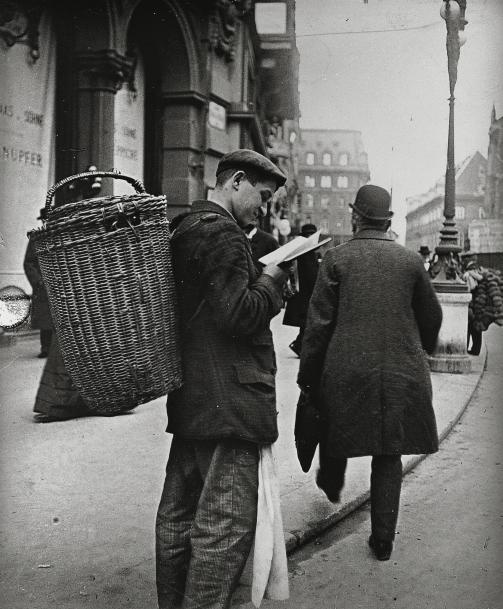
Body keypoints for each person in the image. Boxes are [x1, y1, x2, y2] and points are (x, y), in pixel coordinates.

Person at [155, 149, 290, 609]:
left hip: (194, 397)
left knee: (179, 517)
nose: (264, 208)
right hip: (230, 403)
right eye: (263, 195)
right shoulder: (226, 236)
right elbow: (239, 314)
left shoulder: (185, 228)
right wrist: (273, 280)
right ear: (236, 182)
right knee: (223, 526)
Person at [297, 185, 442, 561]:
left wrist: (309, 376)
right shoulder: (411, 261)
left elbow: (318, 326)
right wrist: (418, 348)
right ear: (389, 220)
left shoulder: (335, 259)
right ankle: (383, 540)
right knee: (388, 453)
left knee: (335, 430)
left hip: (345, 370)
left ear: (355, 217)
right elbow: (432, 317)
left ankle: (331, 484)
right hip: (399, 372)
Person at [283, 223, 320, 356]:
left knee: (307, 323)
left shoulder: (303, 251)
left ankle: (299, 345)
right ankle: (299, 346)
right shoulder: (308, 252)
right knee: (308, 322)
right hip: (307, 293)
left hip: (304, 293)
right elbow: (311, 275)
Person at [23, 212, 53, 358]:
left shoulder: (61, 235)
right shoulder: (36, 238)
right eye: (46, 220)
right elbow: (29, 263)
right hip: (43, 286)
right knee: (45, 318)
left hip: (60, 284)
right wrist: (38, 282)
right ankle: (46, 348)